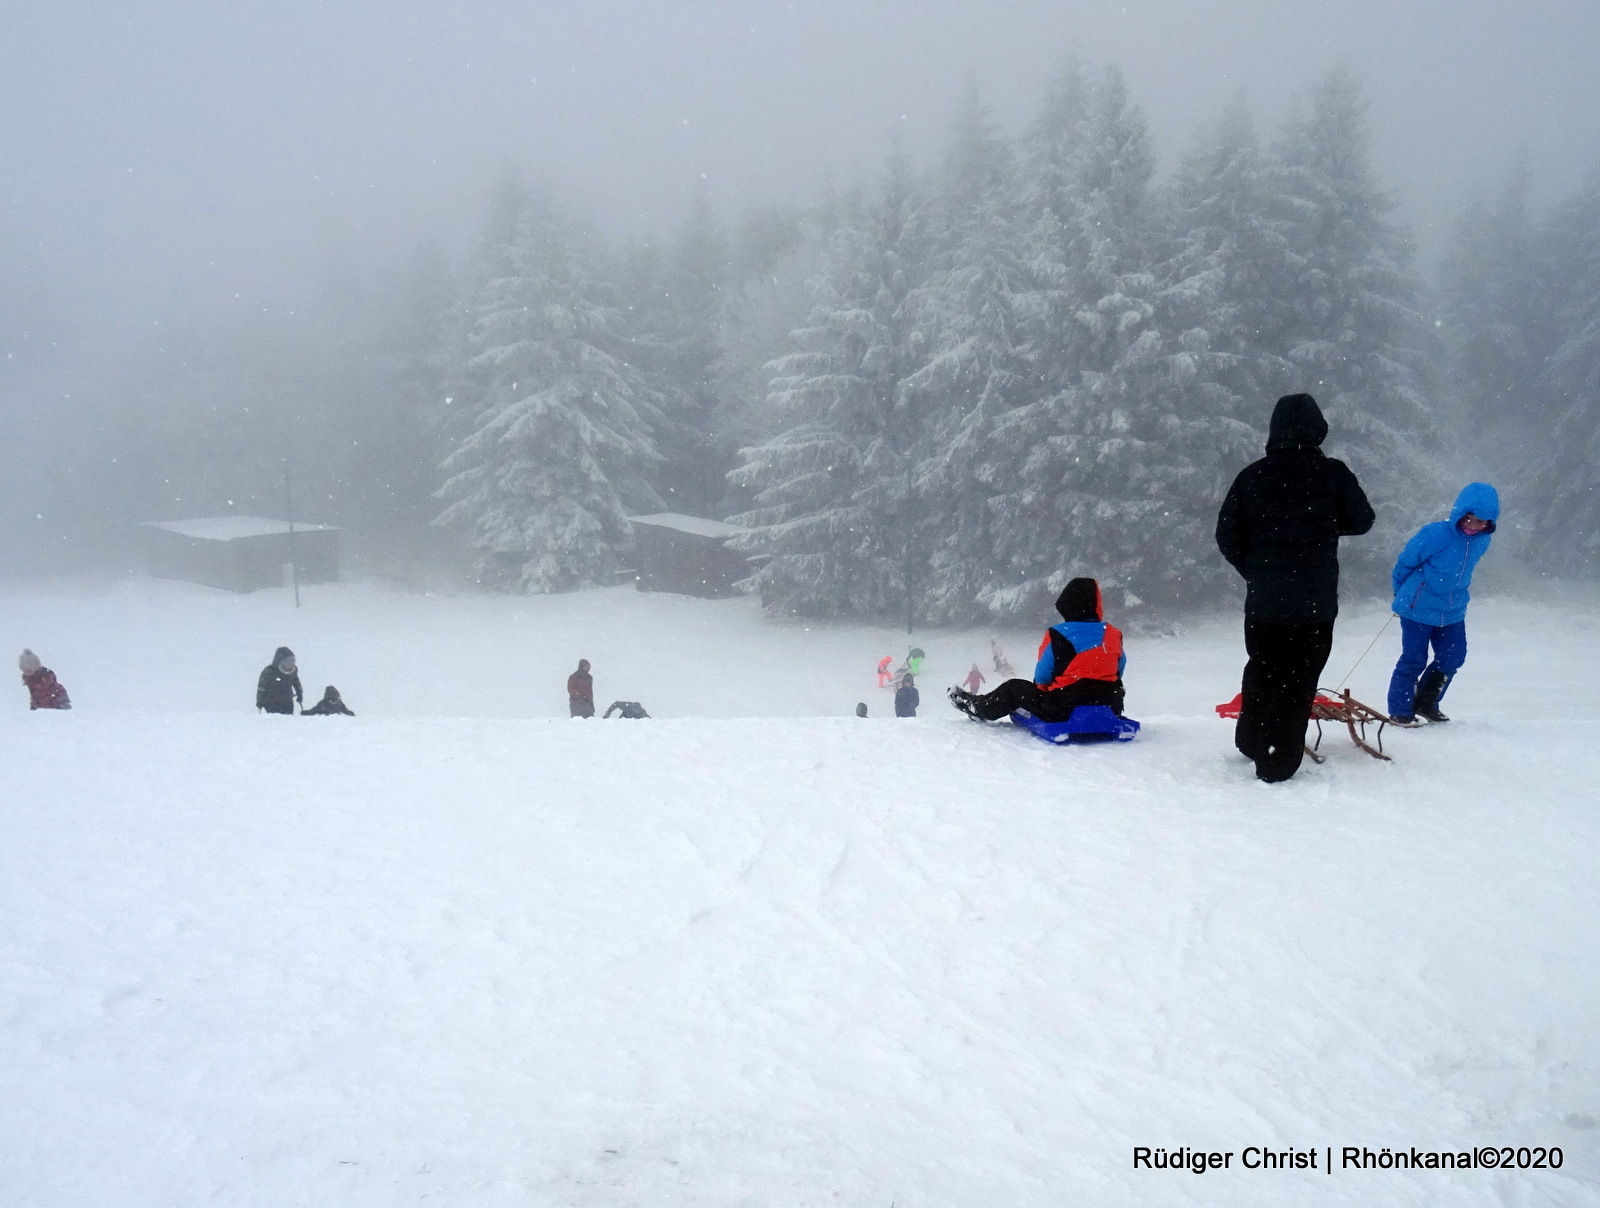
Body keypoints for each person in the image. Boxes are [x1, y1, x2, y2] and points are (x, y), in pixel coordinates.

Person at [1216, 393, 1374, 783]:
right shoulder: (1334, 473)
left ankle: (1252, 741)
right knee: (1298, 678)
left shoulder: (1251, 476)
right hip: (1314, 602)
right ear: (1318, 429)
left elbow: (1226, 534)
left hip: (1265, 601)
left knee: (1262, 669)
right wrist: (1323, 524)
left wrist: (1254, 570)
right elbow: (1362, 520)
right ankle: (1276, 761)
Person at [1386, 482, 1499, 724]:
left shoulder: (1482, 541)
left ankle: (1426, 702)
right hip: (1418, 607)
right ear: (1460, 513)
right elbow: (1404, 564)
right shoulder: (1435, 534)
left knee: (1453, 657)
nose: (1473, 526)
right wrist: (1402, 595)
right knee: (1414, 659)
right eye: (1469, 519)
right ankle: (1400, 710)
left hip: (1452, 611)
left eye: (1481, 522)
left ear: (1489, 524)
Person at [949, 578, 1125, 723]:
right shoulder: (1112, 634)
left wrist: (1041, 692)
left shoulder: (1058, 634)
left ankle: (977, 707)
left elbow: (1042, 675)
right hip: (1109, 705)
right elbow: (1119, 668)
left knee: (1013, 687)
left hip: (1063, 708)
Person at [256, 646, 303, 715]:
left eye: (292, 661)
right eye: (287, 662)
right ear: (280, 662)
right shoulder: (269, 672)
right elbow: (261, 688)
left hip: (287, 702)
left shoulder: (293, 671)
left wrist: (299, 693)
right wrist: (259, 702)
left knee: (288, 720)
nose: (290, 665)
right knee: (276, 720)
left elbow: (296, 682)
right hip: (271, 703)